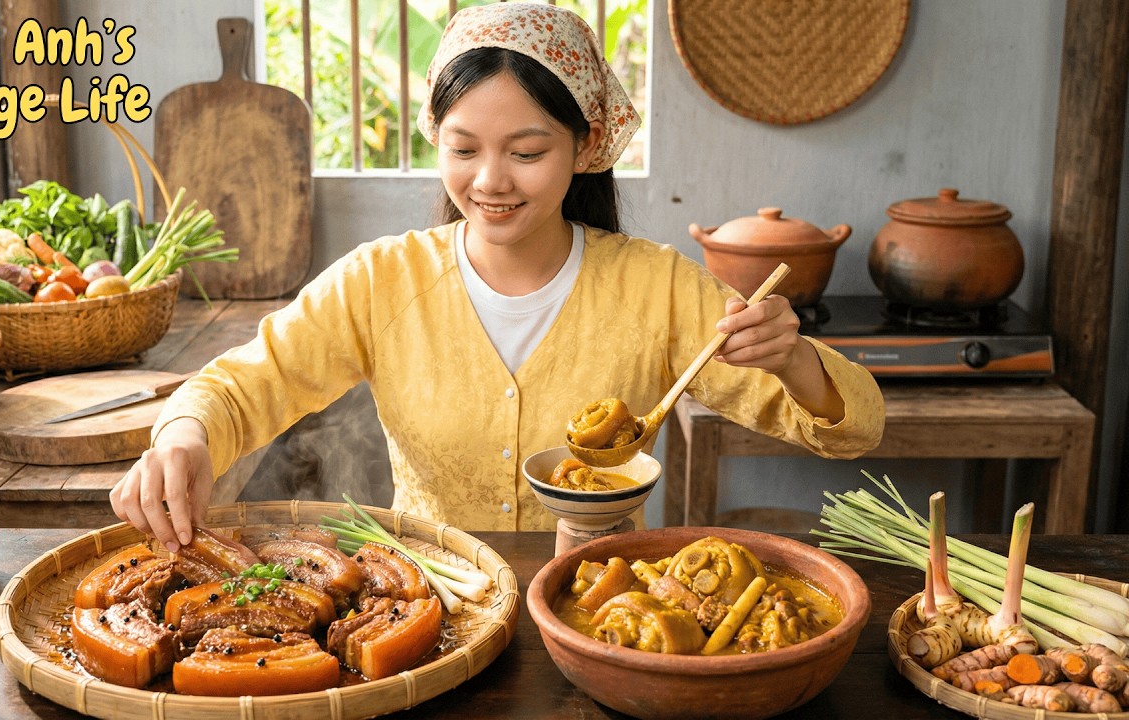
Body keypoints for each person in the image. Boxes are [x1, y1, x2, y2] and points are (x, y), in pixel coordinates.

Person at [110, 2, 884, 551]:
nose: (490, 181)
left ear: (584, 148)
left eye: (525, 151)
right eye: (463, 147)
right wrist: (185, 435)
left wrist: (792, 358)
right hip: (428, 605)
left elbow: (857, 429)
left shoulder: (654, 288)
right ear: (435, 140)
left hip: (605, 606)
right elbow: (248, 383)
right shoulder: (383, 279)